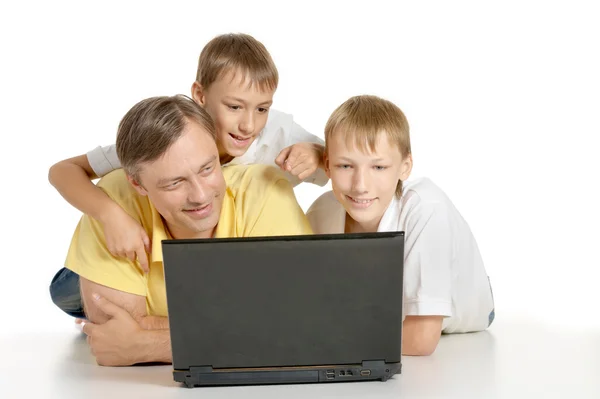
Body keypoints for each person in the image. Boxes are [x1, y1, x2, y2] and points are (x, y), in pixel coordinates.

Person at [63, 94, 313, 366]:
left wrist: (152, 346)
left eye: (207, 169)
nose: (200, 195)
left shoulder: (265, 191)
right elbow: (115, 330)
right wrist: (247, 327)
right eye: (174, 183)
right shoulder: (114, 201)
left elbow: (297, 325)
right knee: (64, 291)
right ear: (138, 185)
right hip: (72, 283)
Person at [48, 33, 327, 274]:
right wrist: (111, 216)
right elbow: (62, 171)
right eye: (234, 107)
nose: (249, 125)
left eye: (262, 109)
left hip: (223, 265)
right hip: (151, 255)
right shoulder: (170, 138)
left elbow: (342, 164)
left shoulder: (279, 133)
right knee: (67, 291)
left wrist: (317, 153)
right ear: (200, 94)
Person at [306, 95, 495, 356]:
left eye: (379, 167)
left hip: (463, 313)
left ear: (405, 167)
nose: (360, 185)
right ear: (327, 165)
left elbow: (421, 340)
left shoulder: (426, 207)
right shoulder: (321, 211)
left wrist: (323, 343)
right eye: (345, 165)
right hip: (378, 310)